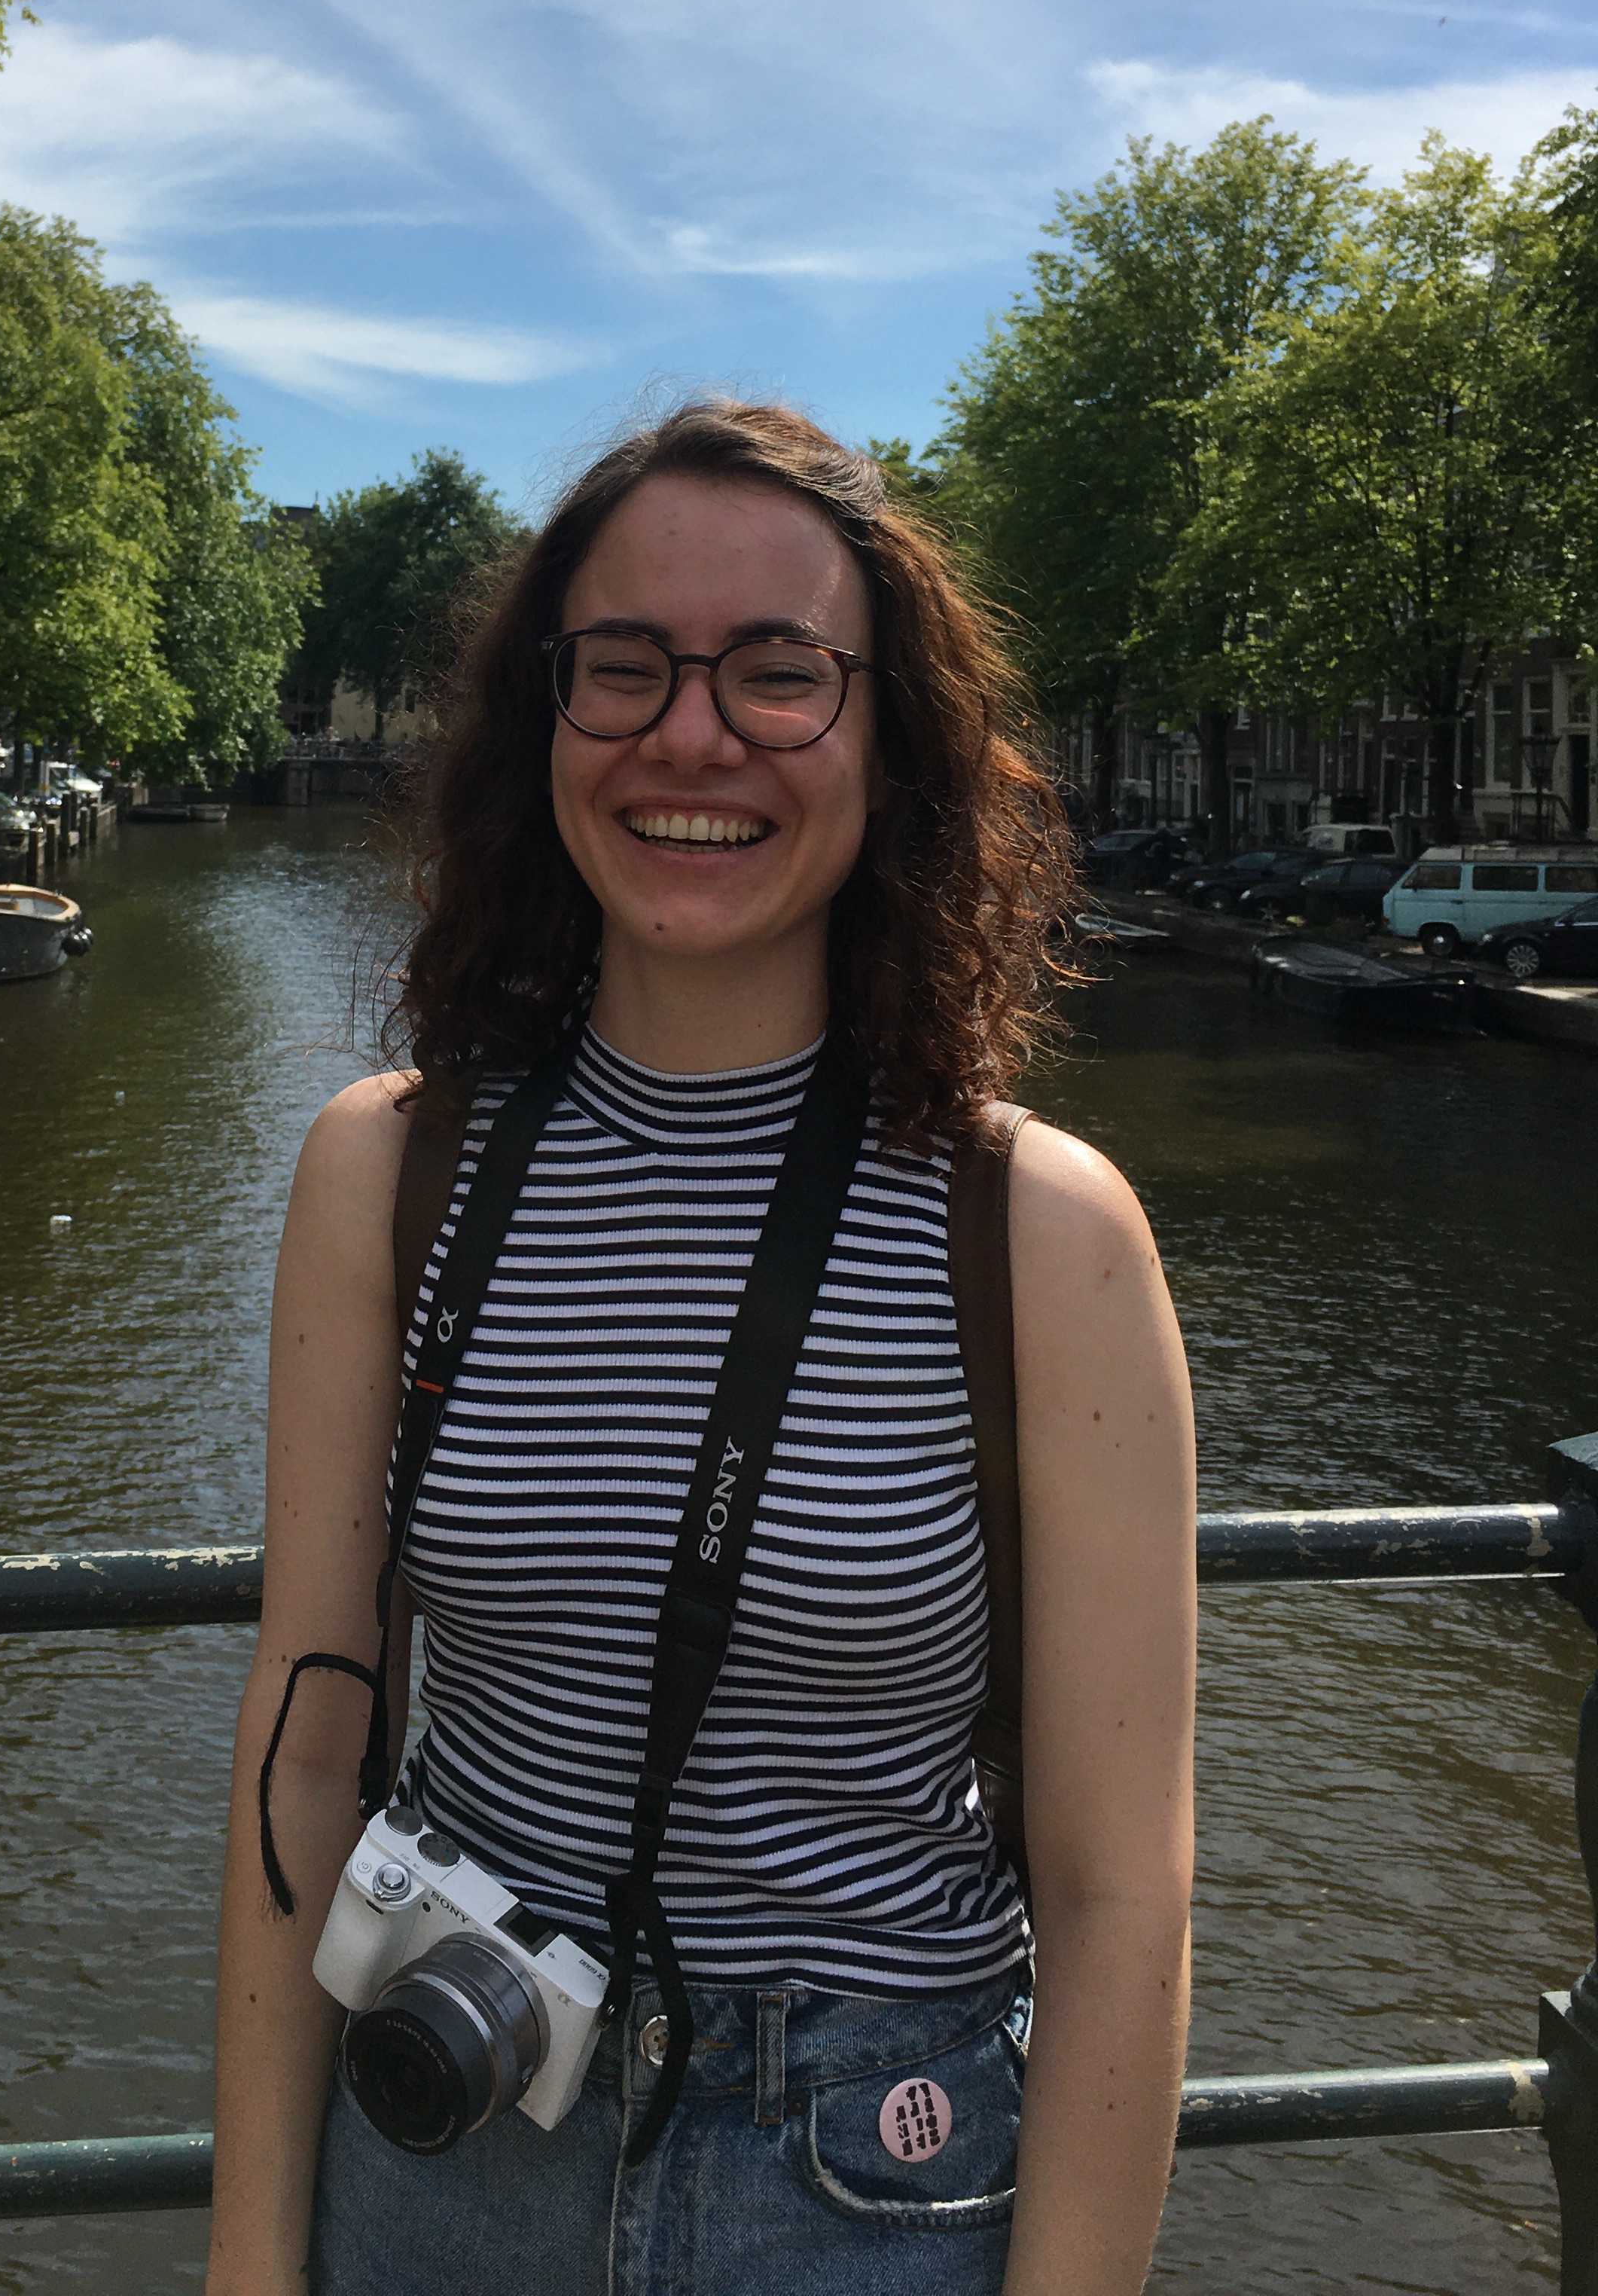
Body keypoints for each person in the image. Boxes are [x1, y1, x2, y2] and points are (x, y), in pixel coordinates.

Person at [207, 398, 1196, 2296]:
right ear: (547, 717)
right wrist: (252, 2263)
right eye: (627, 666)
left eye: (777, 672)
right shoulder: (386, 1175)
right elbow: (308, 1748)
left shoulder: (1043, 1238)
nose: (691, 734)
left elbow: (1116, 1892)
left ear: (891, 740)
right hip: (449, 2125)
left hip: (874, 2174)